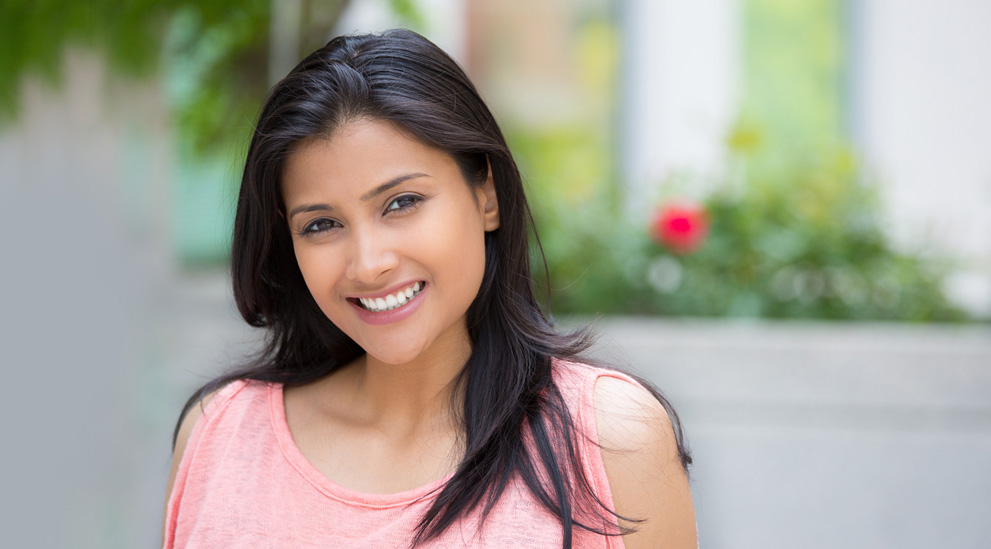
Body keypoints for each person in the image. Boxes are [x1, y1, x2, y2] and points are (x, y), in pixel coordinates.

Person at [162, 28, 696, 548]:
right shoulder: (219, 433)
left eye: (401, 202)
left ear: (486, 194)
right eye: (321, 224)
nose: (368, 265)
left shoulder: (609, 440)